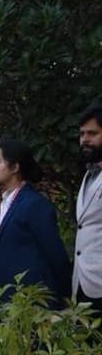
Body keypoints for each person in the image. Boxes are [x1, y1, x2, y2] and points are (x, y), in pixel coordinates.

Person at [0, 138, 71, 306]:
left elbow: (54, 252)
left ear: (15, 167)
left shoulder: (34, 204)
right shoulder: (7, 203)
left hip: (29, 304)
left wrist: (65, 295)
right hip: (3, 299)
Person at [73, 102, 102, 317]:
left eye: (92, 133)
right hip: (83, 283)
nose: (85, 139)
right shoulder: (89, 175)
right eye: (82, 134)